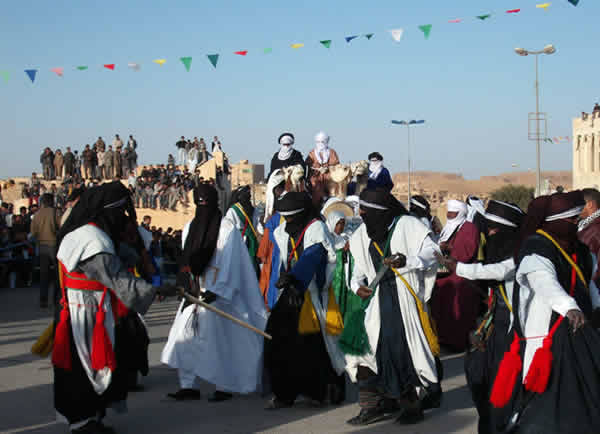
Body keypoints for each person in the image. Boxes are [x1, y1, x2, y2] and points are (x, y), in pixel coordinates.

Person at [53, 181, 176, 433]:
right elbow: (116, 278)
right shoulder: (91, 239)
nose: (123, 217)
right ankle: (82, 422)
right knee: (83, 367)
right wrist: (154, 290)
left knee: (97, 365)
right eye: (120, 211)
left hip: (94, 308)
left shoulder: (96, 232)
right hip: (84, 312)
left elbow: (123, 257)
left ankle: (93, 416)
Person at [489, 191, 600, 434]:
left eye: (576, 220)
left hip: (579, 334)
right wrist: (569, 307)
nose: (575, 224)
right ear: (556, 222)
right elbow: (544, 282)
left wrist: (596, 305)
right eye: (571, 220)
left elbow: (588, 284)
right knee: (542, 404)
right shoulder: (535, 249)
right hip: (546, 338)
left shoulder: (580, 251)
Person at [342, 188, 441, 426]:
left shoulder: (408, 225)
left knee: (402, 353)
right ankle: (372, 407)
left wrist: (409, 261)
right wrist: (357, 287)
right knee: (362, 354)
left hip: (403, 301)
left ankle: (411, 406)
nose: (363, 216)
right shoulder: (363, 234)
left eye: (366, 212)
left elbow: (432, 252)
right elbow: (355, 273)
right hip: (376, 302)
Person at [161, 184, 268, 402]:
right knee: (185, 337)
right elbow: (187, 259)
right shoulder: (190, 226)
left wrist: (218, 291)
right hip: (194, 292)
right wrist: (185, 283)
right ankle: (188, 385)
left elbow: (232, 264)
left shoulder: (227, 228)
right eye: (199, 204)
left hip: (219, 294)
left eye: (206, 204)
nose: (203, 208)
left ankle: (223, 386)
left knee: (220, 341)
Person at [438, 200, 524, 434]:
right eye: (490, 228)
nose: (491, 233)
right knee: (479, 376)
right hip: (494, 325)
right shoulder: (496, 251)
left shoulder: (521, 255)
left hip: (515, 330)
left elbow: (500, 271)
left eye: (496, 229)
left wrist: (459, 268)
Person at [264, 191, 346, 409]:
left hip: (310, 292)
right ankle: (284, 393)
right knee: (278, 340)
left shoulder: (316, 228)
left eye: (292, 217)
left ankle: (322, 393)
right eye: (285, 217)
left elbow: (314, 255)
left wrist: (295, 277)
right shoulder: (282, 230)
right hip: (289, 292)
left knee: (315, 346)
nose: (288, 221)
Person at [431, 199, 481, 351]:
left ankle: (459, 343)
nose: (450, 216)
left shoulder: (469, 228)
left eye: (453, 213)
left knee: (459, 311)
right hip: (444, 278)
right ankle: (444, 340)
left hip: (460, 278)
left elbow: (467, 251)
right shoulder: (448, 227)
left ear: (461, 213)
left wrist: (449, 247)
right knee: (444, 311)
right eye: (449, 213)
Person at [256, 170, 286, 309]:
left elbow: (266, 243)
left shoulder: (274, 218)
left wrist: (262, 255)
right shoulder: (275, 217)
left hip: (275, 256)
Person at [30, 193, 59, 308]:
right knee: (57, 275)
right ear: (51, 201)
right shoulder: (55, 212)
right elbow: (61, 225)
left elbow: (33, 233)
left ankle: (43, 300)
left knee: (44, 275)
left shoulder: (36, 215)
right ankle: (57, 299)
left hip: (41, 246)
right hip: (53, 245)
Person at [224, 185, 260, 274]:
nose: (248, 197)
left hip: (252, 242)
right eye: (246, 195)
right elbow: (228, 229)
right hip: (239, 242)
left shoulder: (254, 210)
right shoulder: (233, 211)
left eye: (249, 195)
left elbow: (258, 226)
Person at [305, 131, 340, 206]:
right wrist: (317, 169)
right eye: (318, 142)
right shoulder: (312, 153)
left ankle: (333, 202)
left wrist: (327, 168)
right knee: (315, 184)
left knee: (333, 184)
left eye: (322, 142)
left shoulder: (331, 152)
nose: (320, 144)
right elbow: (308, 164)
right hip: (316, 175)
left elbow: (336, 164)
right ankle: (318, 202)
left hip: (328, 175)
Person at [578, 188, 600, 284]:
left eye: (579, 204)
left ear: (590, 204)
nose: (576, 208)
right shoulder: (584, 224)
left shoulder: (597, 229)